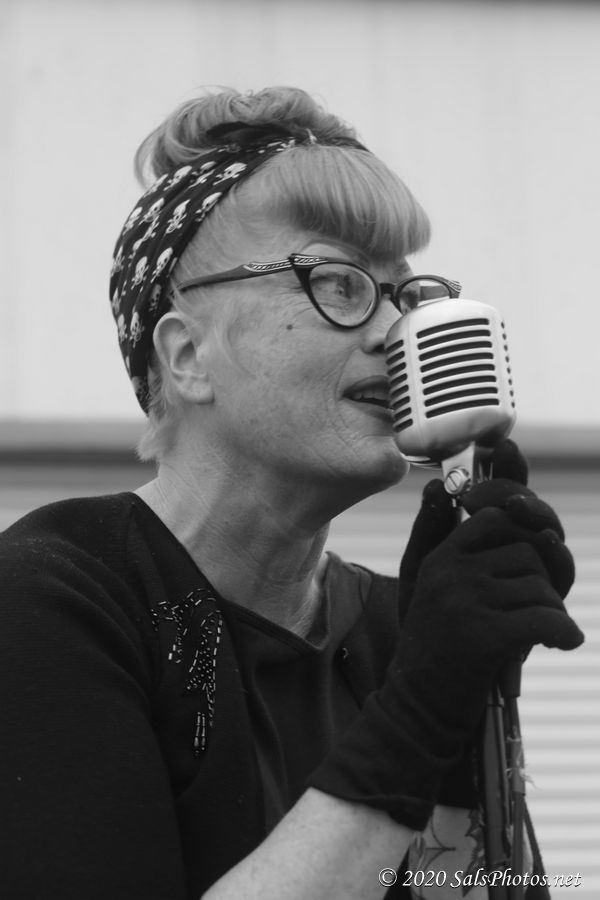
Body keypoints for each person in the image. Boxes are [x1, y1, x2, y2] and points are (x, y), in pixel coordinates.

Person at [0, 86, 583, 900]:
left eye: (403, 295)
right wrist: (416, 718)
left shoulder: (400, 632)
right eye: (338, 284)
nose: (395, 334)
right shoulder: (50, 598)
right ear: (188, 357)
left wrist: (459, 730)